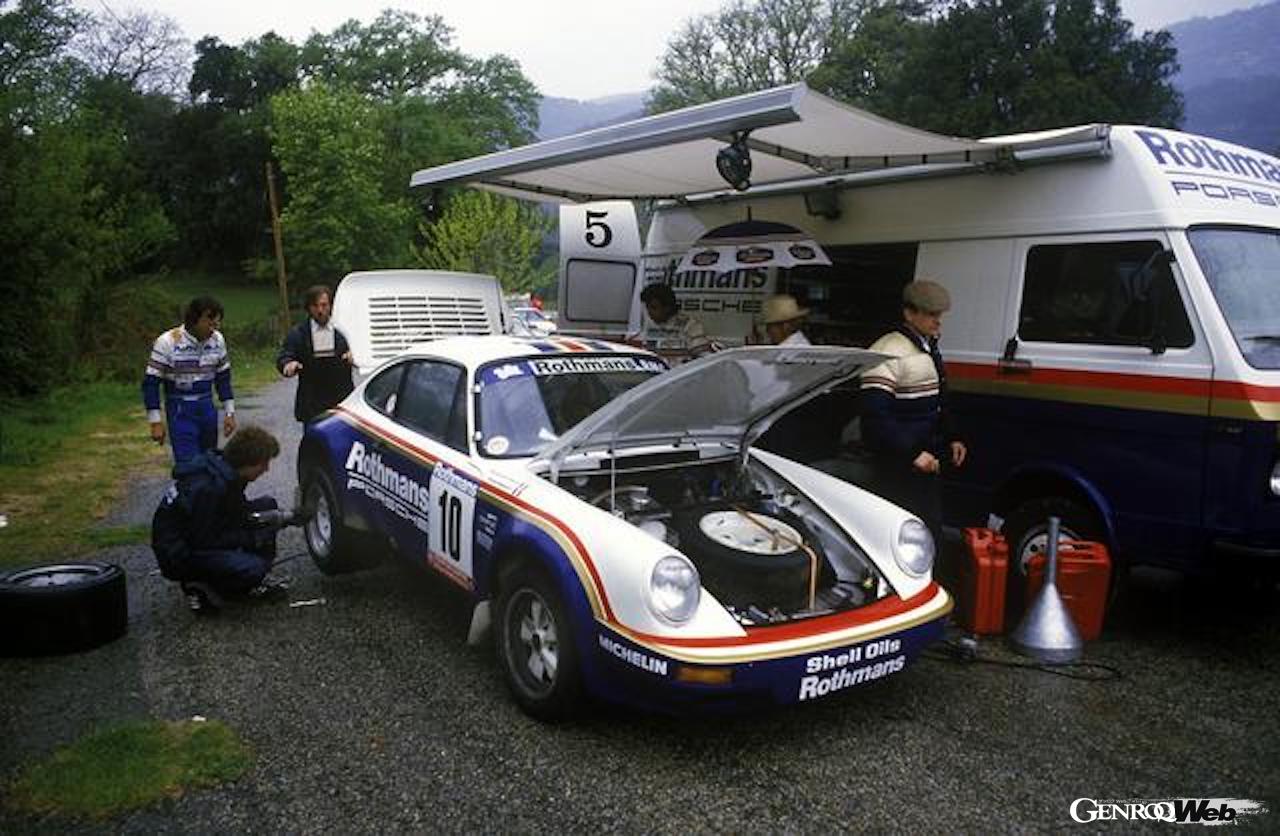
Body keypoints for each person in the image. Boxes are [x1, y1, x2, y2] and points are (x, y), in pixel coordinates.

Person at [860, 279, 967, 546]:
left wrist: (952, 436)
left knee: (927, 530)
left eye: (939, 315)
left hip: (924, 458)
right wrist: (911, 453)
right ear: (909, 314)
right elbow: (874, 416)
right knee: (903, 533)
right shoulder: (887, 352)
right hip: (898, 465)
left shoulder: (928, 346)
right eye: (931, 314)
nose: (938, 321)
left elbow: (939, 399)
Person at [151, 425, 290, 612]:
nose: (266, 469)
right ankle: (203, 584)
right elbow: (205, 540)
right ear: (247, 462)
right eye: (263, 463)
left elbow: (234, 513)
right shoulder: (208, 489)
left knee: (268, 505)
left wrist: (285, 518)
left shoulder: (225, 471)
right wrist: (253, 538)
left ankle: (239, 574)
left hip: (200, 533)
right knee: (255, 567)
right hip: (180, 555)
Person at [143, 296, 236, 462]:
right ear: (195, 320)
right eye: (210, 323)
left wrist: (229, 412)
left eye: (217, 324)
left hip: (207, 405)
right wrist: (155, 421)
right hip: (180, 408)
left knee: (210, 460)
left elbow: (223, 378)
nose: (214, 329)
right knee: (188, 464)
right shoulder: (167, 342)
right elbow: (151, 383)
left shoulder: (218, 340)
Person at [278, 284, 355, 422]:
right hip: (311, 404)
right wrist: (288, 364)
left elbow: (361, 351)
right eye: (315, 306)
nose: (320, 310)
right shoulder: (299, 334)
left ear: (331, 306)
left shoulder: (343, 330)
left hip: (341, 402)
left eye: (324, 305)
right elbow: (285, 355)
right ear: (308, 308)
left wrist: (354, 355)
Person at [635, 283, 714, 364]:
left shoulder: (690, 327)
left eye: (654, 308)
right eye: (648, 308)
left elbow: (704, 360)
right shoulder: (649, 327)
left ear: (667, 308)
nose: (649, 312)